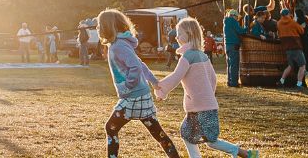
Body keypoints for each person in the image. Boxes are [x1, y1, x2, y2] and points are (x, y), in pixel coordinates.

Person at [154, 16, 257, 158]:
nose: (176, 36)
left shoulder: (187, 57)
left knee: (211, 141)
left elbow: (175, 77)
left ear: (189, 34)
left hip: (201, 107)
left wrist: (160, 90)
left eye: (179, 33)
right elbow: (213, 79)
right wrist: (208, 94)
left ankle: (242, 153)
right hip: (204, 106)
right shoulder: (202, 56)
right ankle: (241, 153)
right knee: (187, 134)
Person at [97, 9, 178, 156]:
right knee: (158, 133)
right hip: (141, 95)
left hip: (133, 97)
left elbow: (135, 66)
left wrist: (128, 85)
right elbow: (139, 63)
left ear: (108, 27)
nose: (98, 29)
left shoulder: (119, 46)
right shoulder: (120, 43)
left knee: (111, 128)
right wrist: (153, 81)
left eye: (100, 25)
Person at [275, 10, 306, 89]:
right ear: (288, 14)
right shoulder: (292, 22)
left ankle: (281, 81)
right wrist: (301, 26)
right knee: (302, 66)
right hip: (296, 46)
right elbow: (301, 31)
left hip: (287, 48)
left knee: (290, 66)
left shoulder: (278, 23)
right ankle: (299, 84)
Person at [221, 10, 242, 87]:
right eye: (237, 17)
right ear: (233, 16)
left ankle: (229, 81)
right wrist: (247, 28)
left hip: (227, 45)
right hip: (234, 45)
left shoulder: (225, 22)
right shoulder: (233, 21)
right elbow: (240, 31)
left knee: (229, 64)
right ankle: (234, 83)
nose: (237, 19)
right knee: (234, 64)